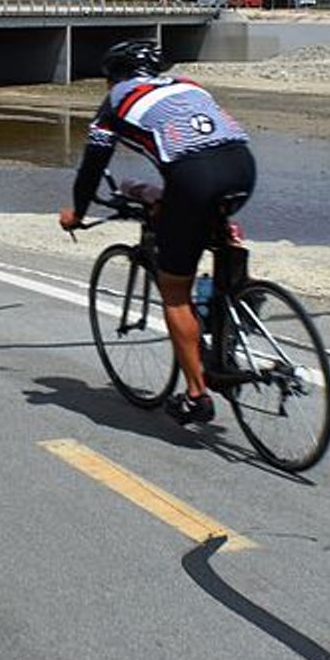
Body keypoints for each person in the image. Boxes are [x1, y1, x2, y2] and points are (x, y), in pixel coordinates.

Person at [59, 39, 255, 426]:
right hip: (242, 167)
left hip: (194, 177)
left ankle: (197, 395)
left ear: (113, 75)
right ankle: (239, 302)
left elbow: (92, 168)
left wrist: (77, 213)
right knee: (210, 229)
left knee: (174, 291)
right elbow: (192, 145)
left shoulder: (116, 100)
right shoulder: (188, 85)